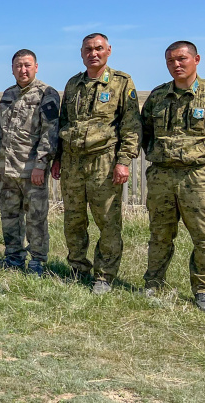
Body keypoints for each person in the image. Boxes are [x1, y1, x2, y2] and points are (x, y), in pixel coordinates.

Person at [140, 41, 205, 311]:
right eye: (170, 60)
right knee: (160, 234)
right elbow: (145, 132)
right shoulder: (158, 96)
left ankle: (203, 289)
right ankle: (153, 282)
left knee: (204, 236)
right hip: (162, 176)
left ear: (196, 59)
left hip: (198, 177)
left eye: (182, 59)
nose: (176, 64)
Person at [51, 33, 142, 294]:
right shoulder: (73, 84)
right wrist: (58, 157)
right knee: (73, 219)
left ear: (108, 50)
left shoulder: (121, 82)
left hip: (104, 161)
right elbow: (64, 122)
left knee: (107, 221)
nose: (93, 53)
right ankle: (78, 268)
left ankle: (104, 275)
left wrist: (123, 161)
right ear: (81, 53)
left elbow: (131, 125)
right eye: (88, 49)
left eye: (99, 48)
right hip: (72, 162)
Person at [0, 50, 60, 276]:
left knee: (36, 219)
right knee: (9, 217)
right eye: (18, 66)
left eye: (27, 65)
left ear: (36, 67)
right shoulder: (8, 95)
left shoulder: (46, 94)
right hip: (7, 169)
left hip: (32, 171)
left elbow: (50, 132)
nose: (23, 70)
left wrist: (41, 164)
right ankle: (14, 257)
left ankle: (37, 261)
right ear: (12, 69)